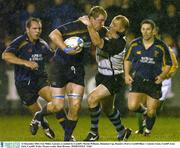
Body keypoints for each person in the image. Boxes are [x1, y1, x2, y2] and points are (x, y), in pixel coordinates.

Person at [31, 6, 107, 141]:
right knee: (57, 106)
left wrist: (91, 26)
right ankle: (39, 115)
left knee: (76, 107)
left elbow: (100, 41)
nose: (103, 24)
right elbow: (53, 34)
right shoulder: (75, 26)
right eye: (100, 21)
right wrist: (66, 49)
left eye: (104, 21)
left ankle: (67, 140)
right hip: (59, 67)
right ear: (91, 19)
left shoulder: (98, 31)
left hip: (77, 68)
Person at [1, 17, 66, 139]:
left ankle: (68, 133)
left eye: (39, 28)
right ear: (27, 29)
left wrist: (64, 54)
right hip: (23, 83)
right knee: (36, 111)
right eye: (34, 28)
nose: (38, 31)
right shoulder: (20, 41)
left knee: (57, 103)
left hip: (40, 79)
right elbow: (5, 55)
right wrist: (25, 62)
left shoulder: (42, 44)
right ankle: (45, 126)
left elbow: (52, 58)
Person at [78, 15, 132, 141]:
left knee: (91, 99)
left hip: (114, 78)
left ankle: (94, 133)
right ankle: (122, 131)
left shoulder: (120, 43)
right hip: (102, 75)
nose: (111, 25)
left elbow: (98, 43)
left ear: (122, 30)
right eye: (112, 22)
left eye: (115, 25)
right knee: (108, 109)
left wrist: (89, 25)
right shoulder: (104, 31)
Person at [124, 19, 172, 136]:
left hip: (153, 82)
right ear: (141, 30)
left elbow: (168, 64)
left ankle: (147, 131)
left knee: (152, 111)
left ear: (153, 31)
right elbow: (127, 60)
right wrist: (126, 74)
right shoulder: (135, 44)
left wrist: (162, 76)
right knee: (132, 106)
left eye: (148, 29)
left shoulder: (161, 46)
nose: (145, 32)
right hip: (138, 79)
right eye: (143, 29)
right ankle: (144, 111)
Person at [135, 46, 178, 134]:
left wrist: (166, 75)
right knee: (140, 104)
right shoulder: (143, 48)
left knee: (155, 107)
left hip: (164, 82)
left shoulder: (168, 50)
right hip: (148, 80)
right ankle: (141, 129)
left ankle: (147, 124)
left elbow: (174, 66)